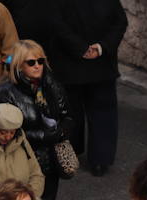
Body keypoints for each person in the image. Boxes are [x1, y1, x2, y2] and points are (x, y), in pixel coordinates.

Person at [49, 0, 127, 177]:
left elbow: (57, 23)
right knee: (100, 114)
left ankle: (74, 152)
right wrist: (101, 48)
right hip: (98, 64)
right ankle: (99, 160)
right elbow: (120, 22)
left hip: (73, 63)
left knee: (72, 112)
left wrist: (85, 48)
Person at [0, 39, 74, 200]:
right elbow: (5, 131)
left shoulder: (51, 84)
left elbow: (67, 115)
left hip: (52, 155)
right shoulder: (7, 92)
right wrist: (43, 135)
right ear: (19, 65)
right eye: (31, 62)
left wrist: (61, 131)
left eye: (41, 61)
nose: (37, 66)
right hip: (24, 158)